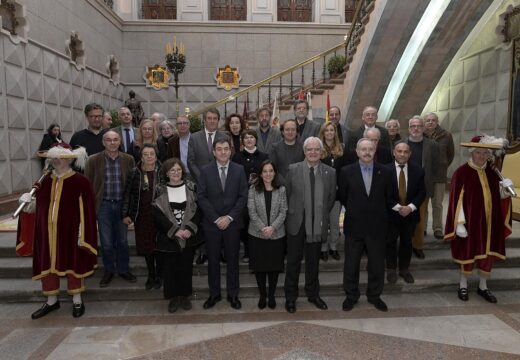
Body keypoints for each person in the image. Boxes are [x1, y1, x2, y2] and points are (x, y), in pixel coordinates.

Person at [18, 144, 97, 319]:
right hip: (46, 233)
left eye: (60, 157)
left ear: (69, 159)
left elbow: (88, 211)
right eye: (53, 158)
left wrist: (82, 235)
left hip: (70, 233)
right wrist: (26, 203)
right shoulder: (44, 181)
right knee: (47, 265)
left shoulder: (80, 181)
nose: (56, 161)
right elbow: (37, 208)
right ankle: (52, 301)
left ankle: (77, 300)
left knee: (72, 265)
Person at [445, 135, 514, 304]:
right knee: (468, 253)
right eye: (478, 152)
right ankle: (463, 285)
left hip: (491, 222)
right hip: (471, 223)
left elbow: (499, 198)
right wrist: (459, 224)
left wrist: (505, 189)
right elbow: (456, 201)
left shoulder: (492, 172)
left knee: (487, 254)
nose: (481, 156)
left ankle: (483, 286)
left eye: (485, 153)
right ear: (471, 153)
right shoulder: (461, 173)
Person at [339, 138, 393, 312]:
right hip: (354, 225)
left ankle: (374, 295)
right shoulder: (346, 171)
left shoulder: (385, 171)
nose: (367, 152)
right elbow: (343, 196)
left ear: (375, 150)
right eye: (364, 149)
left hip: (377, 227)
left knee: (377, 264)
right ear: (357, 151)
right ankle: (351, 296)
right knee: (351, 264)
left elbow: (388, 198)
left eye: (370, 149)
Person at [284, 137, 336, 314]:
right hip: (296, 224)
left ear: (321, 152)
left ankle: (313, 295)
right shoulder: (293, 169)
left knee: (313, 263)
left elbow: (330, 199)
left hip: (317, 225)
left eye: (316, 149)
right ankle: (290, 298)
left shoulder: (330, 172)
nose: (313, 152)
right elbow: (287, 194)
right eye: (309, 149)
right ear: (304, 151)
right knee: (293, 263)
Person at [197, 137, 248, 310]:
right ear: (214, 151)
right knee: (212, 261)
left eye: (226, 149)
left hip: (232, 224)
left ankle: (233, 294)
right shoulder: (205, 171)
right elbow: (201, 197)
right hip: (212, 224)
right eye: (219, 149)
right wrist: (216, 218)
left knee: (233, 260)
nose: (223, 152)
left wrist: (229, 217)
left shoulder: (239, 170)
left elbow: (243, 196)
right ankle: (214, 294)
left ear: (230, 150)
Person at [84, 130, 137, 287]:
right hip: (104, 206)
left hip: (122, 205)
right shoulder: (93, 160)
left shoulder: (129, 159)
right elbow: (88, 184)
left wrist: (130, 209)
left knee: (122, 241)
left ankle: (123, 269)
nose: (112, 143)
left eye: (115, 140)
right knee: (106, 243)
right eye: (109, 140)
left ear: (119, 142)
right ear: (103, 142)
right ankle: (108, 270)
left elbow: (132, 185)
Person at [153, 158, 202, 313]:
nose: (175, 173)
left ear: (183, 172)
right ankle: (173, 298)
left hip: (188, 236)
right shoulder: (160, 190)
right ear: (167, 173)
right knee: (170, 269)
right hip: (169, 237)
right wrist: (174, 230)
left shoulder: (191, 187)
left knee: (186, 267)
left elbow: (199, 211)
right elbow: (157, 214)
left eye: (178, 170)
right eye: (172, 170)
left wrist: (188, 228)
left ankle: (184, 296)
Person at [248, 160, 287, 310]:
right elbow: (251, 211)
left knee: (273, 268)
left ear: (275, 172)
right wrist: (264, 228)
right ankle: (262, 295)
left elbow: (284, 211)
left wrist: (273, 228)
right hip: (257, 235)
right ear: (260, 173)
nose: (268, 174)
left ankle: (271, 295)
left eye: (271, 171)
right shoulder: (253, 189)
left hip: (277, 235)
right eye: (265, 171)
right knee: (260, 268)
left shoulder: (281, 189)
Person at [122, 144, 162, 290]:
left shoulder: (163, 171)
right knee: (146, 248)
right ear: (141, 157)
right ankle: (151, 275)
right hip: (141, 216)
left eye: (152, 154)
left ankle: (159, 275)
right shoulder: (134, 172)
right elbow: (128, 194)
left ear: (156, 156)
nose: (149, 156)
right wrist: (126, 213)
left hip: (159, 217)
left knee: (158, 247)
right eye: (146, 154)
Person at [385, 141, 426, 284]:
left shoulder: (418, 170)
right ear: (394, 152)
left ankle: (404, 269)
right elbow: (383, 194)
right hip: (391, 214)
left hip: (411, 214)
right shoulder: (385, 170)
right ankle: (390, 269)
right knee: (390, 241)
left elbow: (422, 192)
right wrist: (398, 207)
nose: (402, 154)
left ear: (410, 154)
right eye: (399, 151)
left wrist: (410, 207)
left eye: (405, 152)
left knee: (407, 242)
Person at [405, 116, 439, 259]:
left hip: (422, 188)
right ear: (409, 128)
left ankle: (418, 246)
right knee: (404, 219)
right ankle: (405, 245)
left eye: (419, 126)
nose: (416, 128)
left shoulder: (432, 145)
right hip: (404, 186)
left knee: (420, 220)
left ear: (423, 128)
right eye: (413, 126)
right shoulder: (401, 143)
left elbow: (436, 166)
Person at [232, 129, 268, 263]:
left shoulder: (264, 156)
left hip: (260, 195)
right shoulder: (237, 157)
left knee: (260, 222)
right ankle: (247, 251)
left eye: (251, 137)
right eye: (246, 138)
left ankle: (259, 251)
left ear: (256, 140)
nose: (249, 140)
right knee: (246, 224)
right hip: (243, 197)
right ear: (242, 141)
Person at [318, 122, 346, 261]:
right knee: (323, 221)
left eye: (332, 130)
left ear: (335, 133)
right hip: (321, 193)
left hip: (336, 194)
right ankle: (323, 248)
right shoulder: (317, 150)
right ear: (323, 133)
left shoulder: (341, 150)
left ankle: (333, 247)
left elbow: (344, 172)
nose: (329, 133)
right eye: (326, 130)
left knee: (335, 222)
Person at [424, 112, 454, 240]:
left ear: (437, 121)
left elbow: (450, 154)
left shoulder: (446, 135)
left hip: (439, 174)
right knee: (423, 203)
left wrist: (443, 164)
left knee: (437, 203)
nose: (430, 122)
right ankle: (422, 227)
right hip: (424, 174)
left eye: (433, 120)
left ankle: (437, 228)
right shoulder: (420, 134)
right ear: (425, 122)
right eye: (428, 120)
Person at [187, 108, 227, 181]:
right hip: (200, 181)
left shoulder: (225, 137)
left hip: (220, 181)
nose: (212, 121)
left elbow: (228, 159)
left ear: (218, 121)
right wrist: (201, 178)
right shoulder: (194, 137)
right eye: (209, 118)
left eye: (215, 118)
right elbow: (191, 162)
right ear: (204, 120)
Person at [269, 119, 305, 183]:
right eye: (287, 129)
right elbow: (272, 168)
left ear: (297, 132)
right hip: (280, 185)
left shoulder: (303, 147)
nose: (290, 132)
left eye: (293, 129)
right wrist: (283, 182)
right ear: (282, 132)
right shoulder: (275, 148)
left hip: (299, 184)